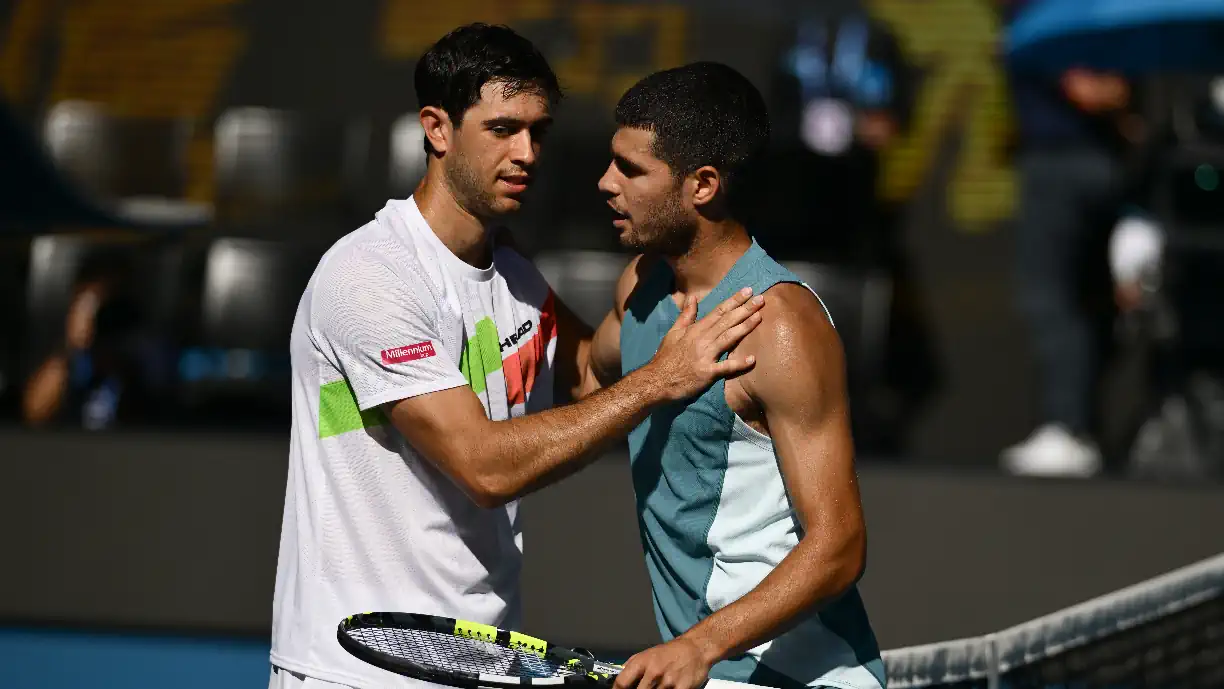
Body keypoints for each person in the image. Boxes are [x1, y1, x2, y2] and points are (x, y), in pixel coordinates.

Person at [268, 25, 766, 689]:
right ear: (437, 129)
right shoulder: (368, 276)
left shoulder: (515, 277)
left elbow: (591, 373)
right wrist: (661, 380)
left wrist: (675, 265)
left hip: (483, 666)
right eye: (503, 128)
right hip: (356, 670)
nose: (527, 151)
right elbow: (484, 466)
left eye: (539, 131)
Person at [579, 63, 884, 689]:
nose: (605, 183)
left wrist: (700, 646)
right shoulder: (638, 287)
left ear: (704, 185)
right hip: (709, 670)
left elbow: (840, 546)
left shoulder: (780, 327)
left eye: (631, 170)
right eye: (612, 162)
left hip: (801, 679)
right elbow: (587, 378)